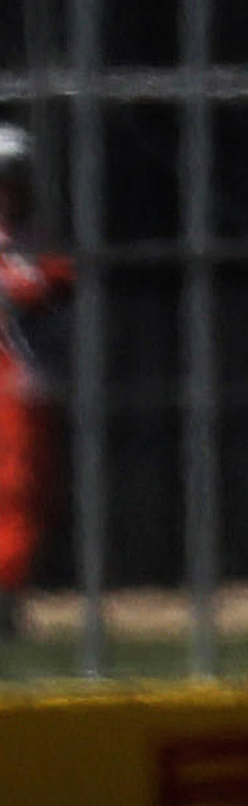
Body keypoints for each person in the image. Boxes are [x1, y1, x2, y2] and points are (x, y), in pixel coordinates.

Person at [0, 130, 65, 641]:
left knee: (26, 496)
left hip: (26, 388)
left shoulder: (35, 241)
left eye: (14, 179)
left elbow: (51, 282)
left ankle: (8, 601)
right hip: (12, 387)